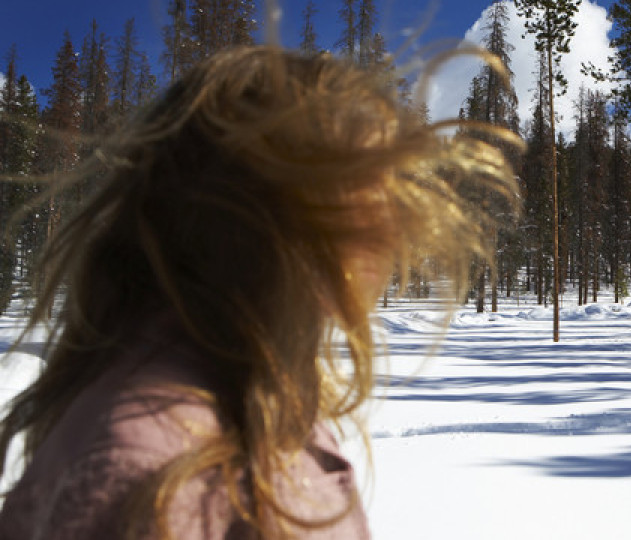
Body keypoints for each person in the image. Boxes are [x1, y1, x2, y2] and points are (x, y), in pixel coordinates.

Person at [0, 46, 518, 539]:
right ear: (263, 215)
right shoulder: (159, 471)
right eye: (369, 192)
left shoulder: (249, 388)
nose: (395, 230)